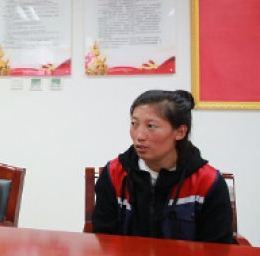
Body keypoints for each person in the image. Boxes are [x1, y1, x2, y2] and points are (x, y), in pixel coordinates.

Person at [92, 89, 234, 244]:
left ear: (180, 132)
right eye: (134, 124)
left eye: (151, 126)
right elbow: (103, 240)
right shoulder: (114, 174)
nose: (139, 136)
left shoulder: (207, 182)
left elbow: (218, 249)